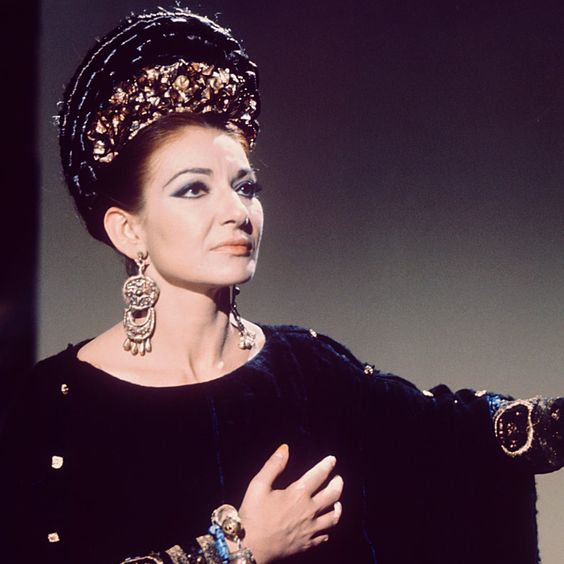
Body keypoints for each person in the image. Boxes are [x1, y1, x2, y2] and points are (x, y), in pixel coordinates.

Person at [1, 6, 563, 564]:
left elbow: (450, 438)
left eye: (245, 187)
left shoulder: (306, 368)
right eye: (194, 189)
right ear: (128, 230)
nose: (236, 212)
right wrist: (240, 549)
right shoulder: (56, 408)